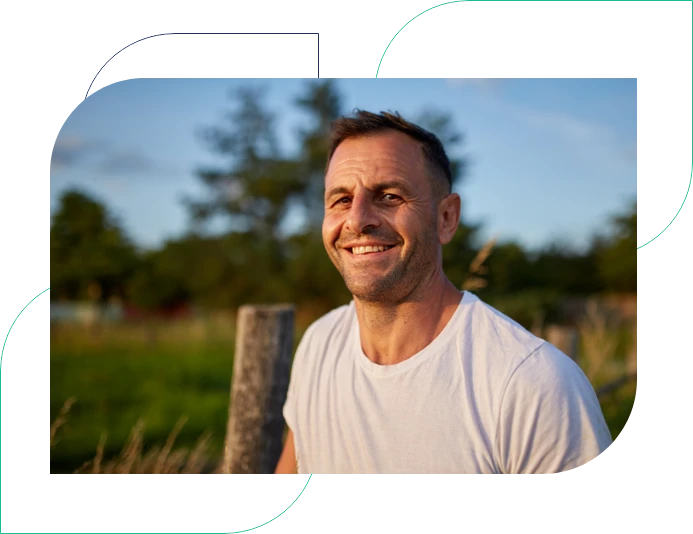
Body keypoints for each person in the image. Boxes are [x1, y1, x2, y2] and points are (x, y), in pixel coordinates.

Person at [274, 110, 613, 475]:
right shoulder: (319, 345)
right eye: (341, 200)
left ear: (447, 218)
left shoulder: (532, 383)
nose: (356, 219)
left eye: (388, 196)